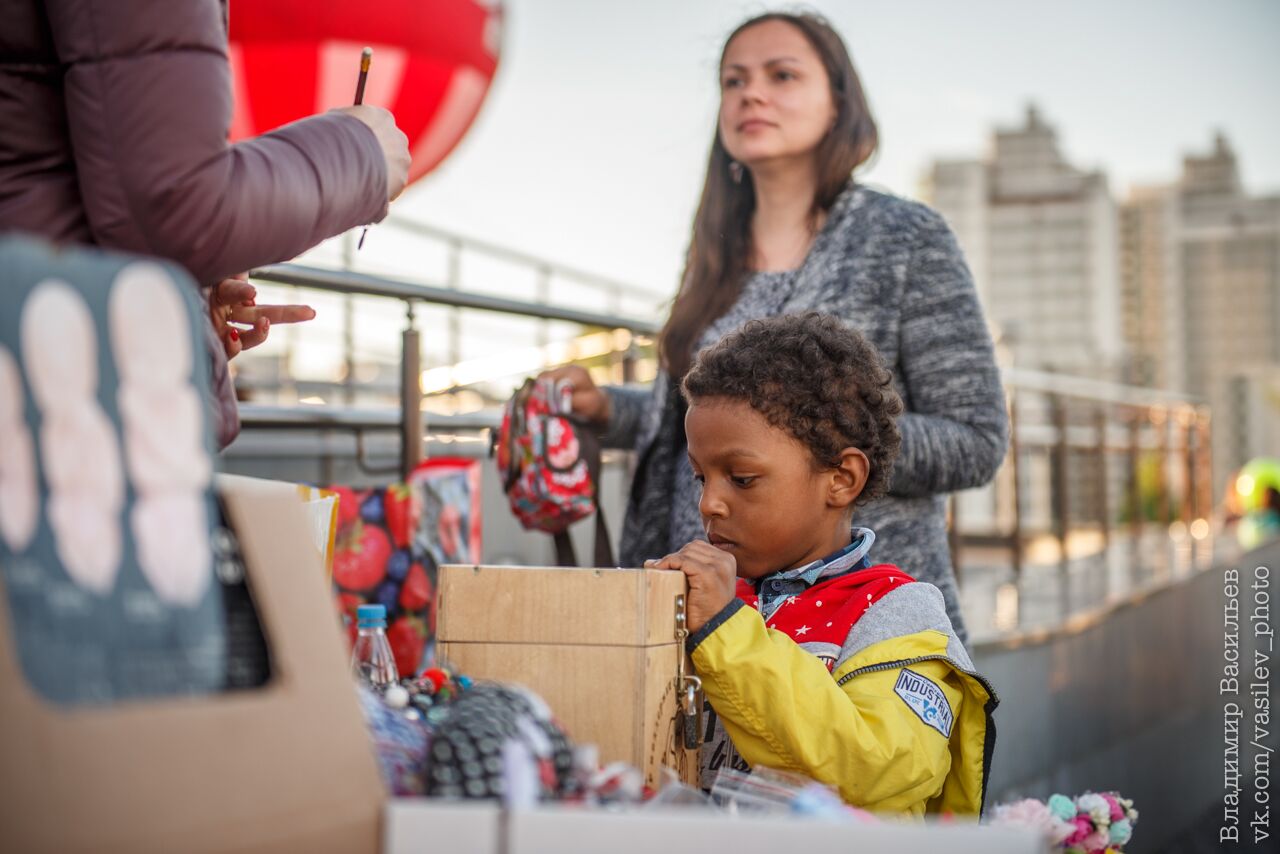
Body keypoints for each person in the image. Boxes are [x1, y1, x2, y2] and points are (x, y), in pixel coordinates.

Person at [546, 11, 1007, 646]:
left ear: (838, 102)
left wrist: (813, 452)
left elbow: (976, 438)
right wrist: (611, 410)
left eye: (781, 75)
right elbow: (716, 417)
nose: (751, 94)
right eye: (733, 81)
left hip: (847, 629)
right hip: (701, 616)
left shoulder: (905, 237)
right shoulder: (715, 249)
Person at [0, 0, 412, 446]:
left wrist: (190, 302)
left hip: (53, 368)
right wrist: (364, 153)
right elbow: (175, 203)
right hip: (61, 409)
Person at [647, 313, 997, 817]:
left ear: (842, 478)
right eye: (702, 478)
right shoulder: (713, 604)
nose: (709, 503)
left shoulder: (896, 616)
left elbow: (876, 767)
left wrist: (724, 630)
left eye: (741, 478)